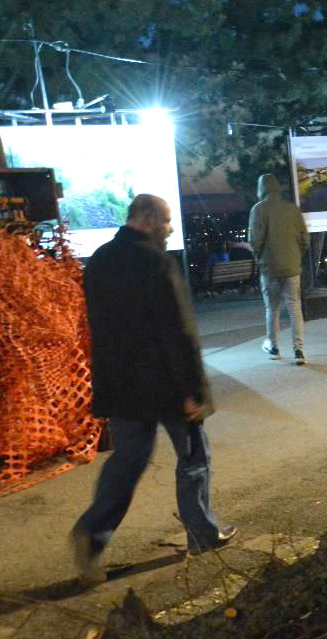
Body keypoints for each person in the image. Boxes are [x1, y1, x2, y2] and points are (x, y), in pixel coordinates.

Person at [71, 195, 235, 584]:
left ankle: (91, 533)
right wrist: (194, 390)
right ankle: (202, 533)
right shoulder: (156, 262)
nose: (170, 228)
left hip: (122, 384)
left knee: (128, 462)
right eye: (165, 221)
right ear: (147, 219)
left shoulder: (100, 261)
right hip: (167, 384)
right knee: (194, 457)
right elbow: (178, 331)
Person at [248, 173, 310, 365]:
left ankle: (274, 347)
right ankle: (299, 351)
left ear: (261, 188)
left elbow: (255, 240)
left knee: (272, 309)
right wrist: (296, 256)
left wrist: (260, 259)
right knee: (295, 308)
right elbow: (305, 239)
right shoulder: (292, 209)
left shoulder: (258, 209)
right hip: (292, 267)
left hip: (269, 268)